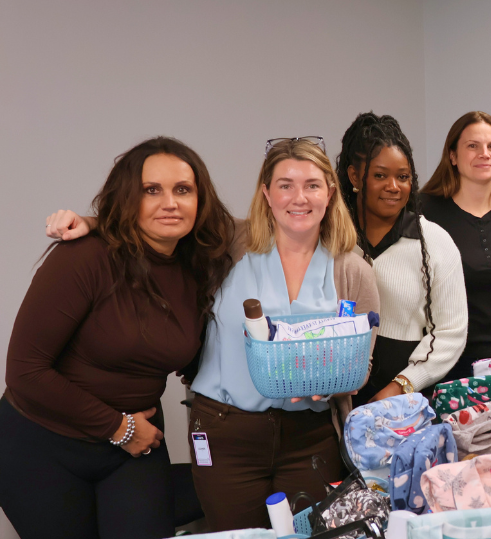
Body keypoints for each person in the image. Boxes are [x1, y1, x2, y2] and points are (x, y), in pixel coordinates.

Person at [42, 138, 380, 530]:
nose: (298, 197)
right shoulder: (229, 243)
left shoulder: (354, 271)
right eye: (285, 185)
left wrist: (335, 385)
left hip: (310, 440)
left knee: (310, 535)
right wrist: (92, 224)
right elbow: (157, 224)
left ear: (330, 193)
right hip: (225, 432)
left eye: (312, 185)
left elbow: (362, 365)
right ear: (266, 193)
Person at [1, 137, 235, 539]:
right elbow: (24, 371)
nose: (170, 202)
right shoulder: (84, 257)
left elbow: (280, 225)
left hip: (134, 448)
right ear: (129, 198)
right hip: (43, 444)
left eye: (183, 189)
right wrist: (118, 428)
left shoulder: (199, 264)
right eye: (151, 190)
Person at [335, 112, 468, 403]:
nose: (394, 186)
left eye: (403, 177)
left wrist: (398, 389)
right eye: (380, 175)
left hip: (407, 402)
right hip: (335, 399)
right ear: (355, 176)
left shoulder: (434, 242)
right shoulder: (332, 242)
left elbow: (450, 334)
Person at [421, 111, 491, 381]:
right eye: (473, 146)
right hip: (445, 363)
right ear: (453, 156)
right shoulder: (423, 210)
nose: (485, 154)